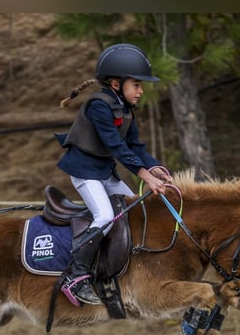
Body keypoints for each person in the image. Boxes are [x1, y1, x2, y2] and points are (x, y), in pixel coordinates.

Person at [55, 43, 172, 306]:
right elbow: (115, 146)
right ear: (117, 84)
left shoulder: (126, 108)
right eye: (137, 85)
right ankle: (75, 277)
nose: (141, 91)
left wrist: (154, 167)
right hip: (85, 172)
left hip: (104, 172)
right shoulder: (98, 105)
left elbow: (135, 146)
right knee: (106, 216)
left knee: (135, 210)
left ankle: (122, 267)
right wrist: (144, 175)